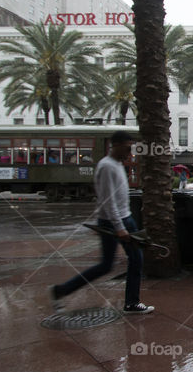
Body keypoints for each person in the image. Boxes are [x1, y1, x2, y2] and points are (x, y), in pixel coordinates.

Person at [51, 131, 153, 314]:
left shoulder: (116, 164)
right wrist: (120, 227)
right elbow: (108, 201)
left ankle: (62, 290)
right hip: (115, 221)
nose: (131, 153)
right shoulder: (107, 167)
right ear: (116, 145)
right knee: (131, 261)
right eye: (128, 148)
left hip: (123, 218)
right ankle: (131, 303)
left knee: (113, 264)